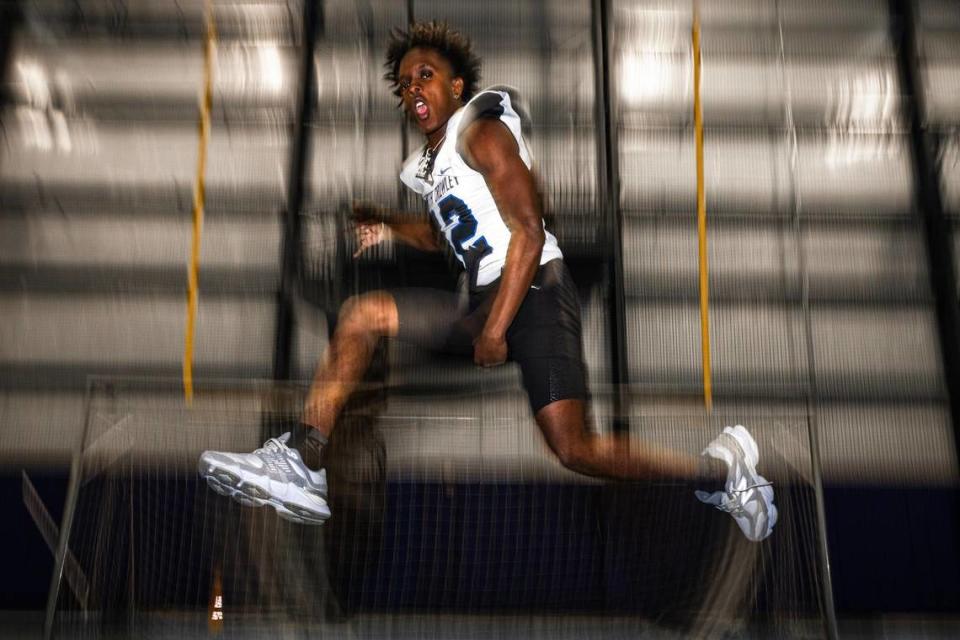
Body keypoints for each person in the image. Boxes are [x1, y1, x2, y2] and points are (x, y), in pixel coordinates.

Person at [199, 22, 776, 541]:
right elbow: (441, 234)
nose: (413, 89)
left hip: (535, 293)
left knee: (574, 450)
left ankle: (722, 471)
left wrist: (497, 328)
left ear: (456, 88)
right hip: (482, 301)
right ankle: (303, 460)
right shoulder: (429, 169)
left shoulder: (482, 130)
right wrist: (389, 225)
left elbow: (528, 229)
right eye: (403, 83)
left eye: (426, 75)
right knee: (361, 313)